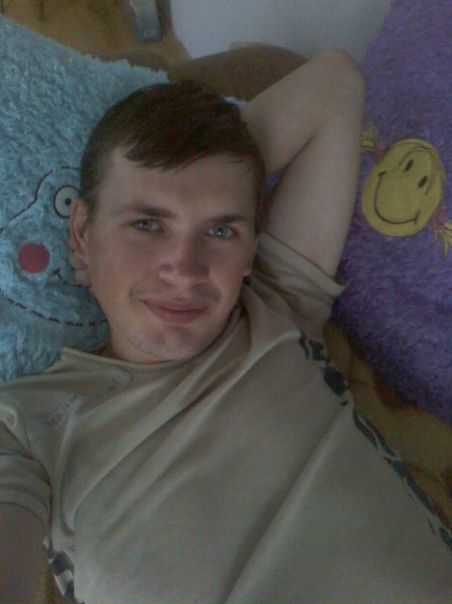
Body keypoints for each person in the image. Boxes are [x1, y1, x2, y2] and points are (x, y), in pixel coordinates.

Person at [0, 50, 450, 604]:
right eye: (147, 223)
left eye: (220, 232)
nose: (184, 270)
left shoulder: (276, 308)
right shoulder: (24, 425)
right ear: (81, 233)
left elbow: (335, 84)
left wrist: (228, 176)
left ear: (250, 247)